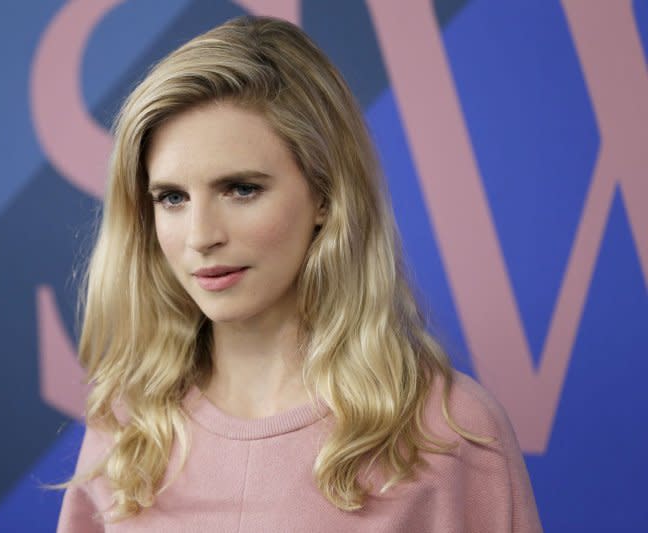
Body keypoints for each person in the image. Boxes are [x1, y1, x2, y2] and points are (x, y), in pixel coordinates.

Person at [56, 15, 542, 532]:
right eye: (172, 198)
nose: (200, 235)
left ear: (326, 197)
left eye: (241, 188)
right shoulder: (127, 431)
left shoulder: (448, 432)